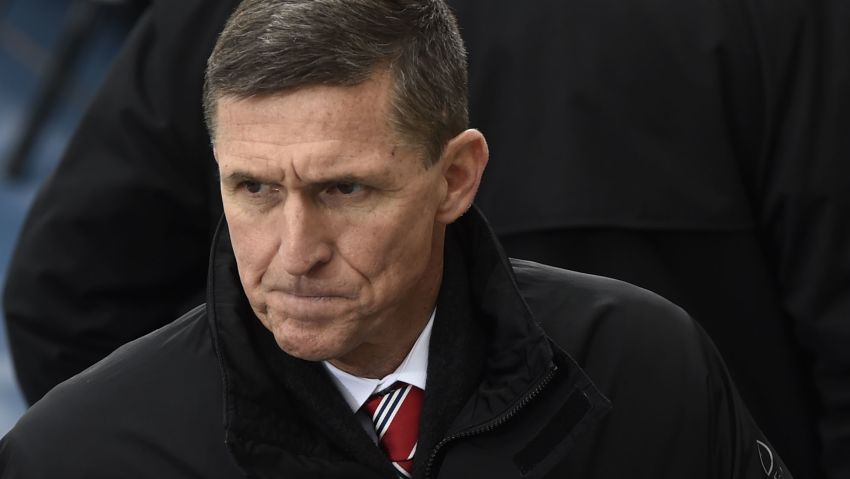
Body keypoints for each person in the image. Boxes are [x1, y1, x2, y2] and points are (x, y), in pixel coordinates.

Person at [0, 1, 791, 477]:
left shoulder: (651, 372)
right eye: (255, 189)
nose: (295, 249)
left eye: (344, 189)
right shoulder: (81, 452)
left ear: (457, 176)